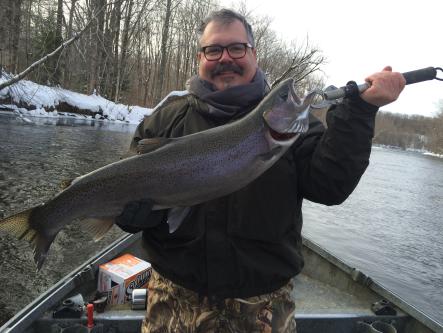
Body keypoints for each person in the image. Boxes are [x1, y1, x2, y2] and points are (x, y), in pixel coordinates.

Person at [116, 8, 406, 333]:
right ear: (200, 57)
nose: (225, 58)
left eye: (237, 48)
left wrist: (360, 112)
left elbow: (331, 187)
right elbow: (125, 185)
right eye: (214, 50)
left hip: (265, 308)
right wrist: (132, 215)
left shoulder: (293, 125)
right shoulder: (164, 121)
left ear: (253, 53)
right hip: (173, 301)